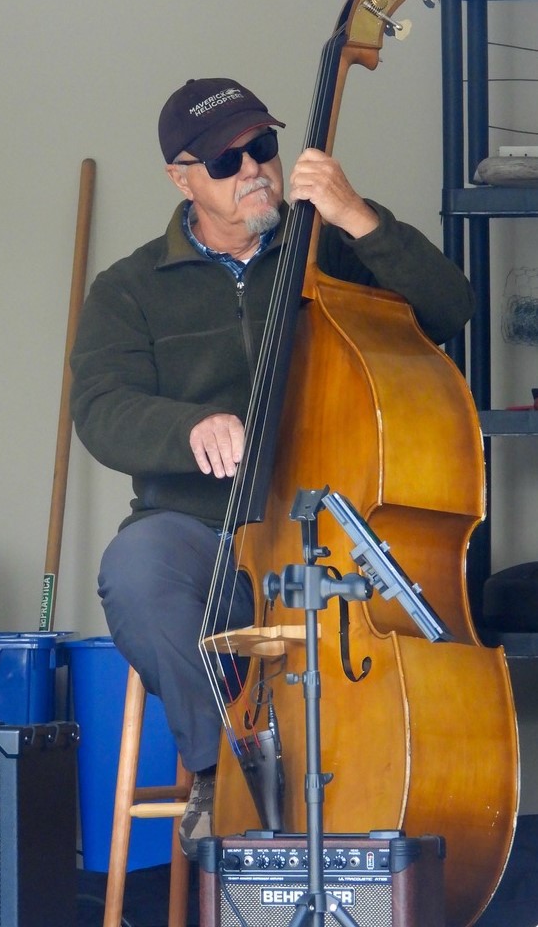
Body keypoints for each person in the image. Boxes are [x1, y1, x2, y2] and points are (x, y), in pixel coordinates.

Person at [70, 76, 475, 858]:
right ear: (181, 178)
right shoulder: (129, 289)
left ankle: (396, 828)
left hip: (334, 531)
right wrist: (190, 427)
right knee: (138, 571)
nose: (254, 168)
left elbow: (450, 307)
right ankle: (222, 773)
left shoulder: (335, 248)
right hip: (204, 528)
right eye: (227, 161)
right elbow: (101, 407)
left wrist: (357, 216)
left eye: (263, 147)